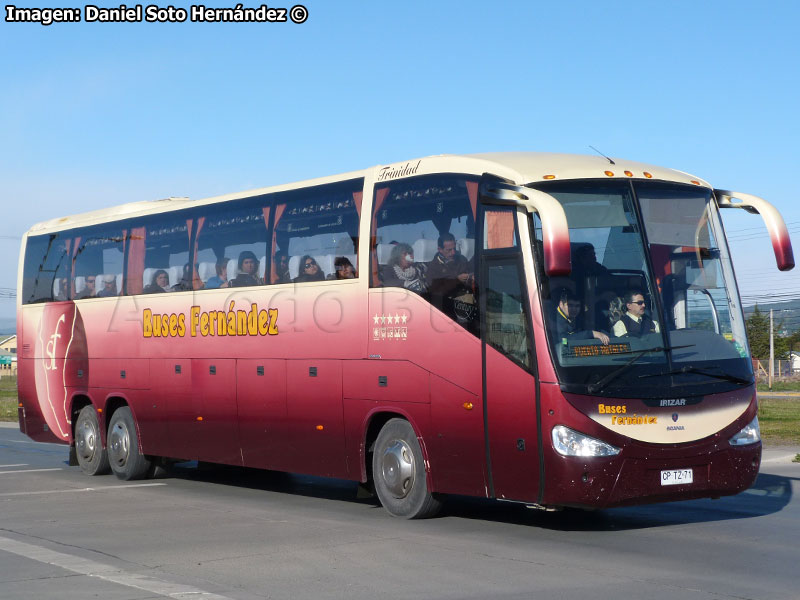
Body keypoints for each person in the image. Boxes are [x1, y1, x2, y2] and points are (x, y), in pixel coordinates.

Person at [426, 233, 475, 324]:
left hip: (468, 300)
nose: (453, 252)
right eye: (449, 250)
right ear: (440, 249)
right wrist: (456, 280)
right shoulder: (433, 267)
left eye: (454, 249)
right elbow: (434, 290)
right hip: (446, 308)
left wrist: (471, 277)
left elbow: (469, 271)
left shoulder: (461, 259)